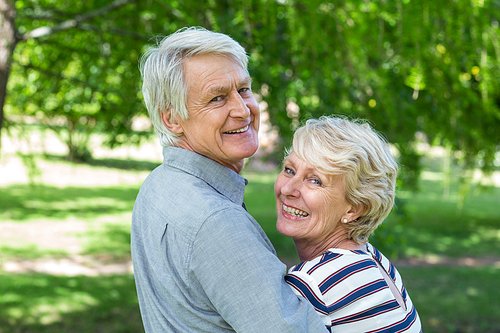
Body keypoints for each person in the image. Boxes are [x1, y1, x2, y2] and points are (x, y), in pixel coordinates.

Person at [131, 27, 328, 333]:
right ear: (172, 119)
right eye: (217, 98)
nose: (243, 110)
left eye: (244, 90)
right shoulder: (216, 222)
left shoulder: (158, 185)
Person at [274, 116, 422, 332]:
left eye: (315, 180)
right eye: (290, 170)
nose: (288, 189)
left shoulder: (316, 284)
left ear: (354, 208)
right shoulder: (376, 261)